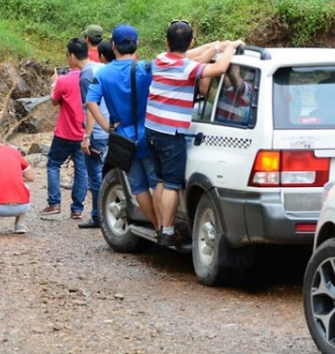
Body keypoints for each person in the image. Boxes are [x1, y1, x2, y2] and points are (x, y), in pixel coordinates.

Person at [145, 20, 243, 246]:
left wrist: (216, 47)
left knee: (160, 180)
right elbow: (217, 68)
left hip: (152, 128)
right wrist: (229, 49)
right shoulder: (187, 68)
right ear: (190, 40)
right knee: (171, 184)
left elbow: (194, 55)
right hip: (171, 133)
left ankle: (161, 226)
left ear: (167, 41)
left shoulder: (161, 59)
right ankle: (168, 231)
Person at [85, 25, 159, 229]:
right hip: (148, 132)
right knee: (157, 183)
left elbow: (91, 102)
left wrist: (107, 127)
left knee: (138, 187)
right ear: (137, 44)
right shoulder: (145, 68)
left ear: (114, 45)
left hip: (123, 138)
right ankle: (166, 225)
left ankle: (156, 226)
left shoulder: (103, 73)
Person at [40, 38, 88, 219]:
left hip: (65, 132)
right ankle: (77, 209)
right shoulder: (91, 76)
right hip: (84, 133)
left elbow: (54, 101)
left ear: (73, 56)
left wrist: (54, 82)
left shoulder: (64, 80)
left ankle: (54, 203)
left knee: (53, 163)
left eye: (68, 56)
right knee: (81, 170)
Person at [77, 38, 114, 229]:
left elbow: (91, 107)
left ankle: (98, 215)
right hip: (115, 131)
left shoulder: (88, 75)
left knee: (96, 176)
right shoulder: (112, 71)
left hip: (99, 132)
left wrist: (87, 136)